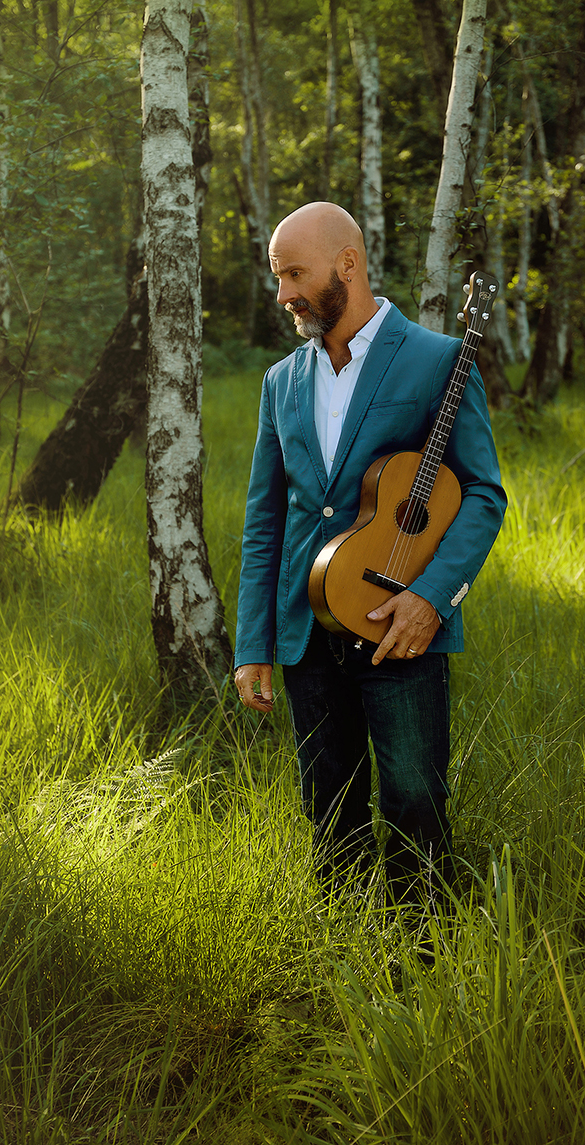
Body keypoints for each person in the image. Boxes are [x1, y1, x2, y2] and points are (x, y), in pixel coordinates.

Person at [234, 202, 506, 905]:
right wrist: (252, 644)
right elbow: (266, 519)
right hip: (306, 633)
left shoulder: (438, 360)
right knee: (329, 810)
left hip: (399, 626)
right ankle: (343, 963)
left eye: (294, 273)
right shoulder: (279, 383)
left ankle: (420, 967)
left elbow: (483, 494)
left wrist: (432, 597)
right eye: (278, 276)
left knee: (416, 803)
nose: (284, 292)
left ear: (346, 265)